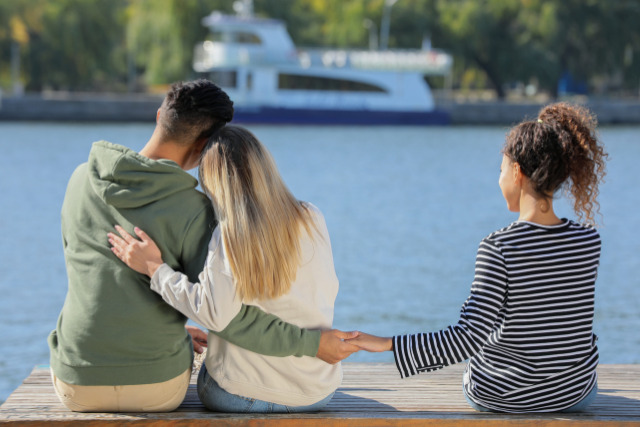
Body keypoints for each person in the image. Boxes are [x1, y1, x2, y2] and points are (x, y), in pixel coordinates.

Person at [49, 80, 357, 413]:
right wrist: (313, 345)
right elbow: (228, 319)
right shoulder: (198, 211)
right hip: (158, 386)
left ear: (158, 116)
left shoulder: (80, 180)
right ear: (204, 149)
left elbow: (94, 279)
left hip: (74, 381)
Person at [347, 102, 607, 413]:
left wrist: (385, 343)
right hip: (573, 393)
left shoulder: (498, 248)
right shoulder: (588, 240)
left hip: (506, 397)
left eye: (500, 171)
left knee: (476, 368)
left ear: (517, 172)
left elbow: (468, 338)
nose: (499, 181)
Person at [109, 125, 344, 413]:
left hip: (242, 395)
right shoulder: (311, 216)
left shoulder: (230, 234)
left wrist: (154, 268)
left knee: (205, 368)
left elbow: (215, 315)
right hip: (318, 392)